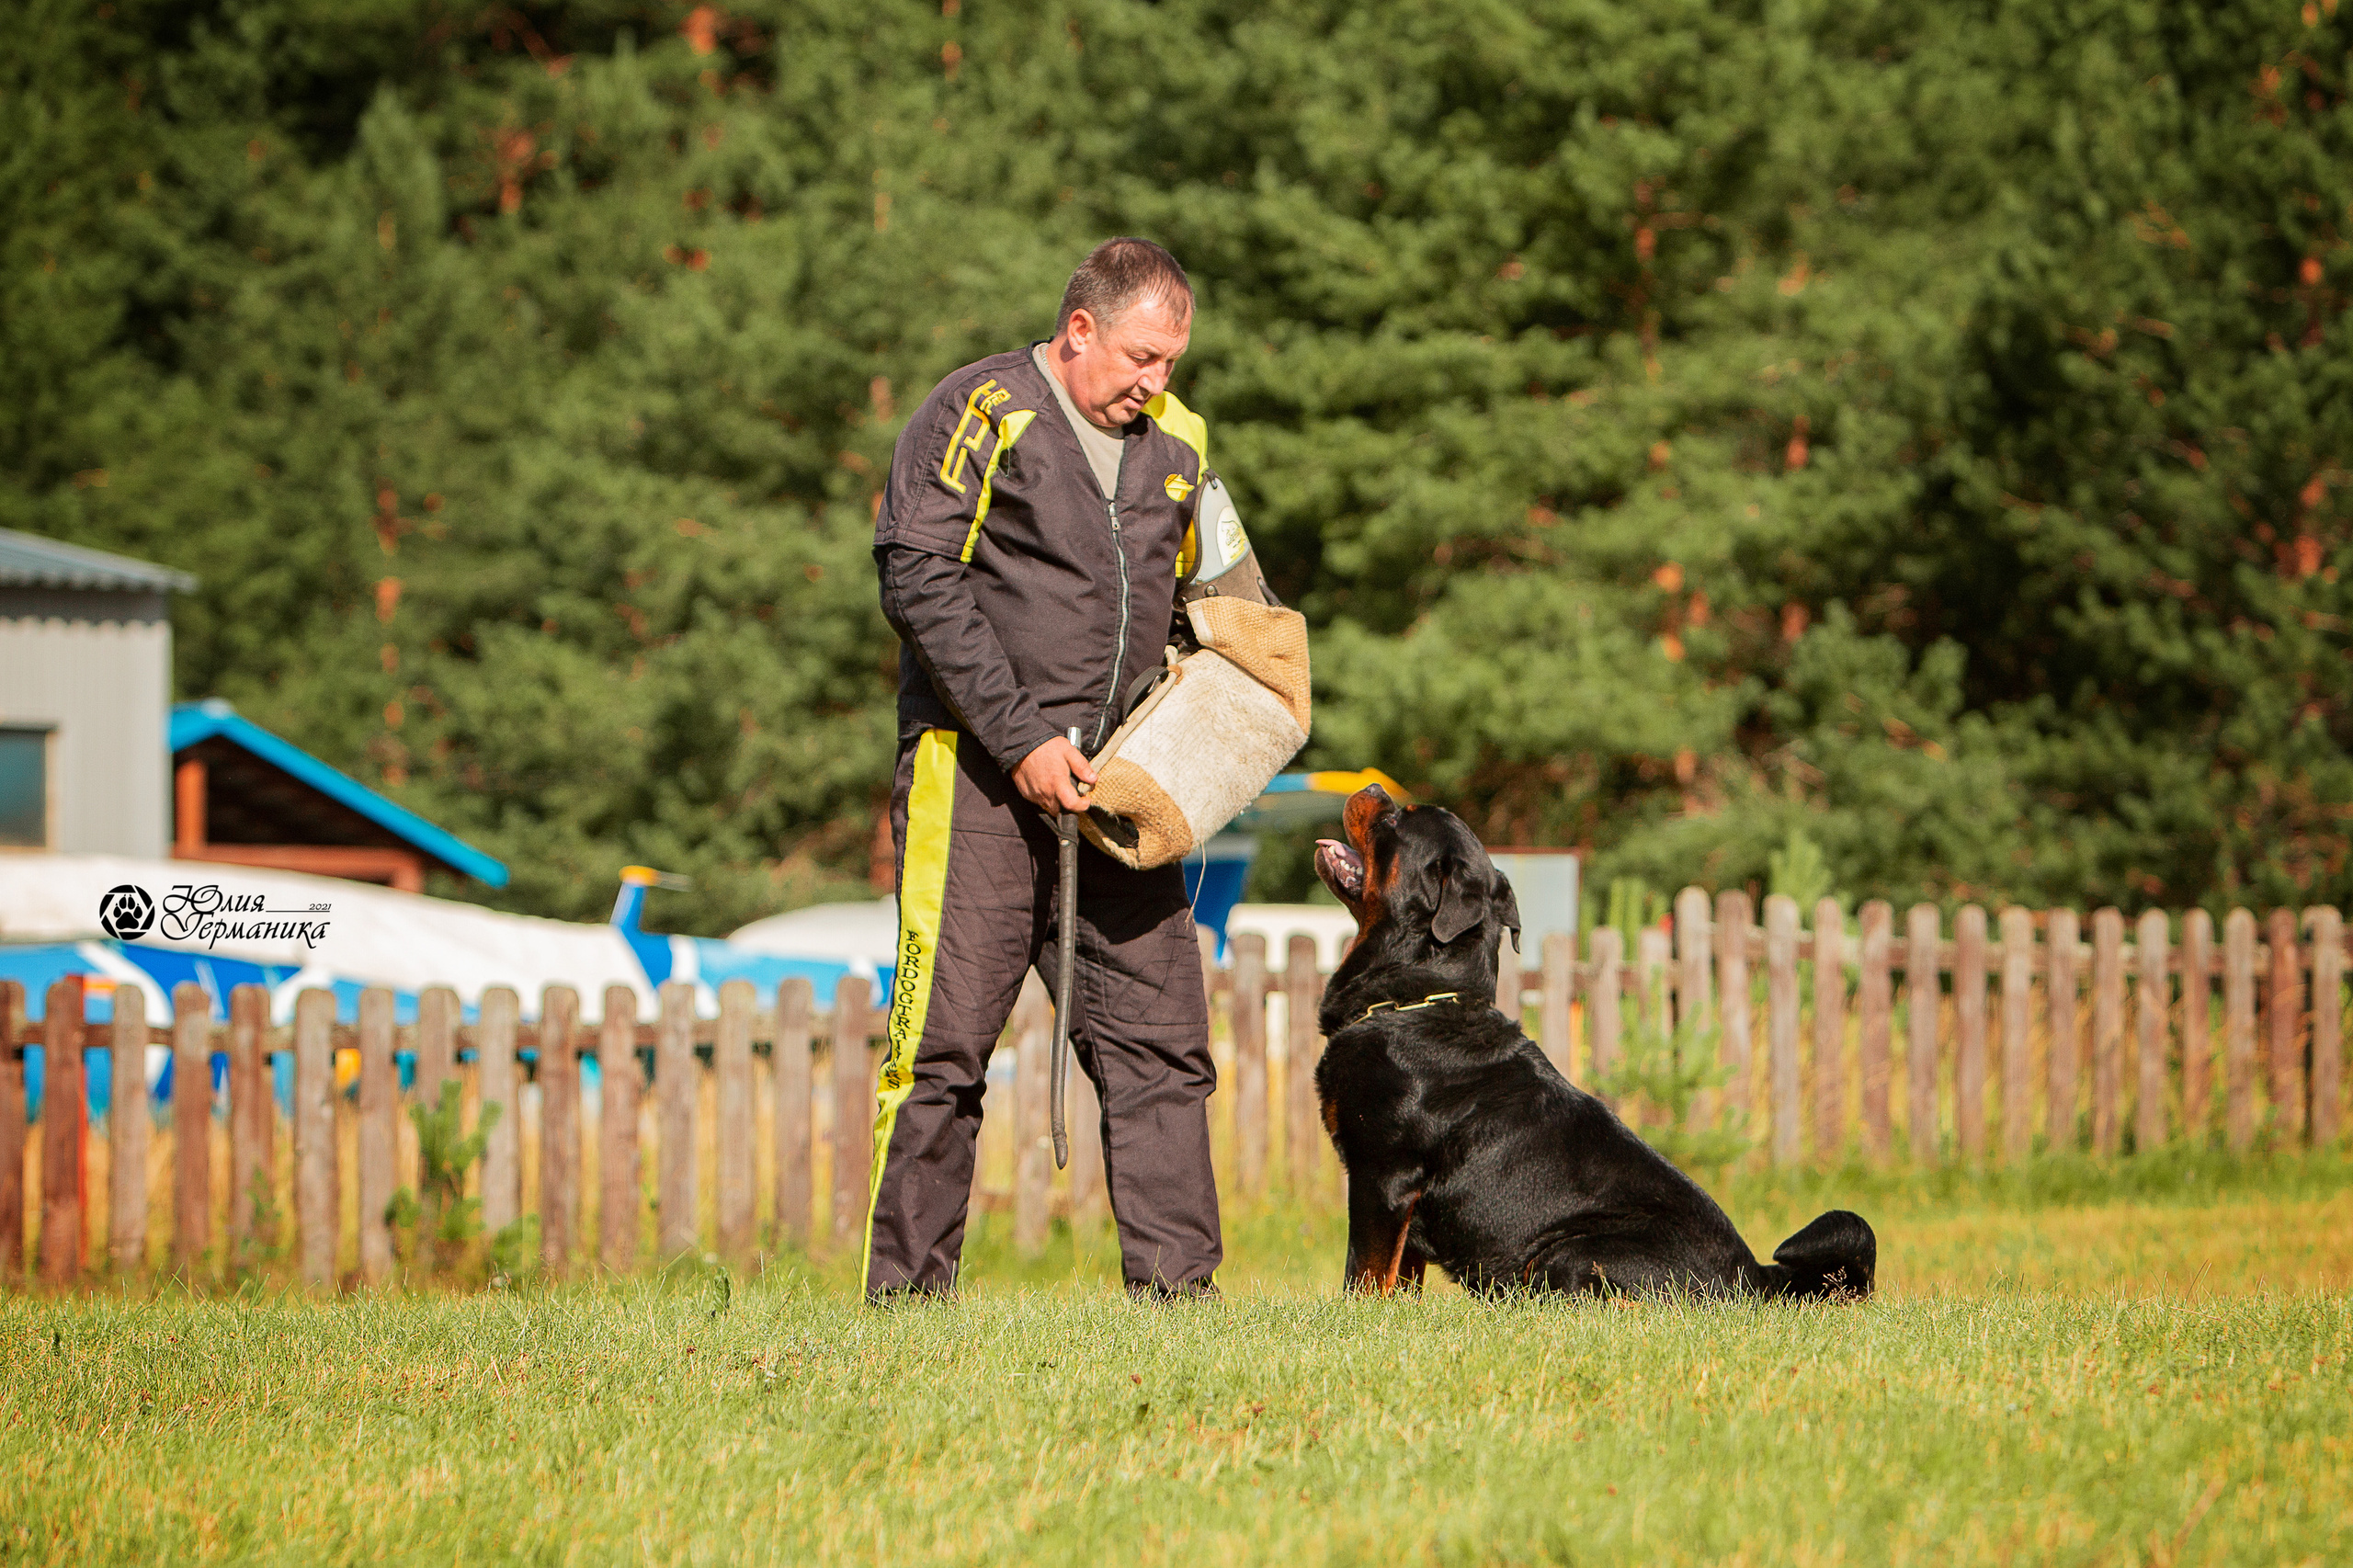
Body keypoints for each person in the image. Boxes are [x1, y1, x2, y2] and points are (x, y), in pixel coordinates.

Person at [866, 238, 1224, 1300]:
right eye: (1140, 357)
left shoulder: (1178, 445)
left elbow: (1229, 600)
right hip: (970, 779)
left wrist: (1232, 720)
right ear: (1078, 333)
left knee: (1164, 1049)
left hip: (1117, 795)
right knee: (940, 1056)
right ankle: (905, 1313)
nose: (1156, 383)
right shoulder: (981, 410)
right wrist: (1020, 738)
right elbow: (915, 570)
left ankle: (1180, 1305)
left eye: (1172, 362)